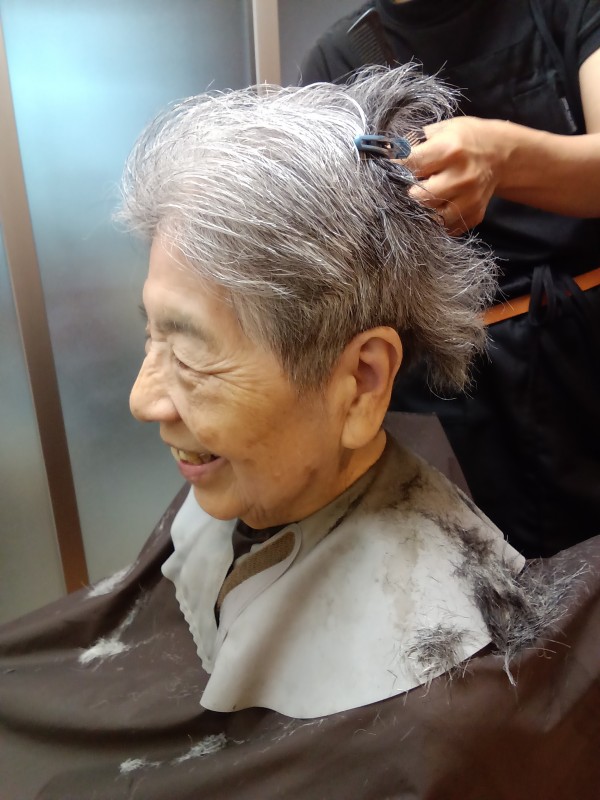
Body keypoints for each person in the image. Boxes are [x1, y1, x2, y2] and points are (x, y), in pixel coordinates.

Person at [1, 67, 599, 799]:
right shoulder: (238, 477)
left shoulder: (440, 724)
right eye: (152, 335)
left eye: (191, 352)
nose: (140, 399)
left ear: (363, 381)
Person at [300, 0, 600, 559]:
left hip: (581, 350)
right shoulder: (339, 57)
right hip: (436, 384)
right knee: (470, 581)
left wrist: (505, 159)